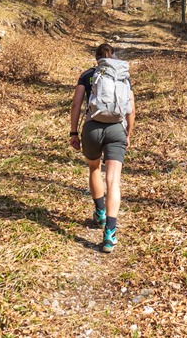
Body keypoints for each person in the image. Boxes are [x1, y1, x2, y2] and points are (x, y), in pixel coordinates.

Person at [69, 43, 135, 253]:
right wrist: (128, 133)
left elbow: (76, 104)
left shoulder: (88, 75)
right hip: (117, 129)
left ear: (96, 58)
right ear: (112, 56)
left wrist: (73, 132)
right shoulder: (122, 76)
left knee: (94, 168)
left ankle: (100, 212)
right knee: (113, 180)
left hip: (92, 129)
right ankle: (110, 233)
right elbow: (131, 109)